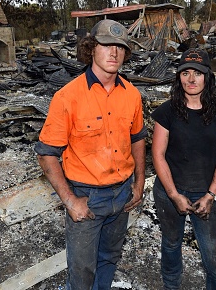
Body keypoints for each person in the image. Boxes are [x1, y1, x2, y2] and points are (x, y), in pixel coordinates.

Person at [35, 19, 147, 290]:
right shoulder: (68, 97)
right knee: (82, 269)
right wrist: (71, 201)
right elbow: (47, 153)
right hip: (87, 196)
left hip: (121, 194)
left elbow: (138, 139)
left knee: (109, 258)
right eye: (107, 45)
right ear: (91, 49)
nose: (114, 53)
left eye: (120, 47)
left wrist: (140, 182)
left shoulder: (132, 95)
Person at [151, 48, 216, 290]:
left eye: (197, 73)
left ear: (207, 77)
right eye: (186, 73)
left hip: (205, 194)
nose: (191, 79)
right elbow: (157, 155)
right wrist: (173, 194)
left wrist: (211, 195)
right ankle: (171, 286)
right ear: (178, 77)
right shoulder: (166, 112)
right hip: (169, 192)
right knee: (171, 244)